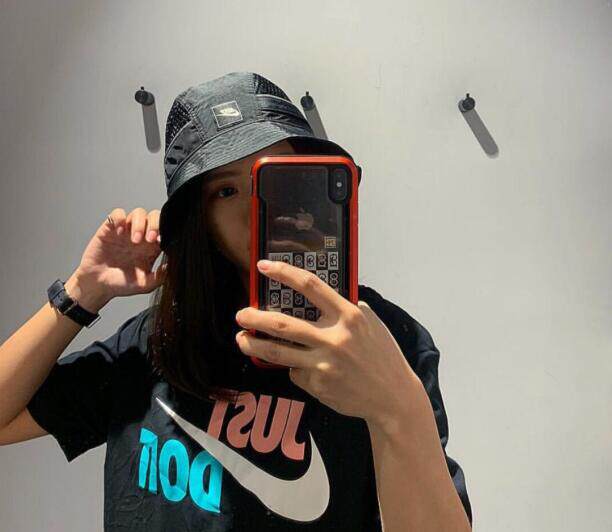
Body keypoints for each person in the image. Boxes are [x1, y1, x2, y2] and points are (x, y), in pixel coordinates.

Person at [0, 71, 472, 531]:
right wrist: (83, 292)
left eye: (279, 182)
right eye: (226, 190)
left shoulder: (384, 339)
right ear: (198, 218)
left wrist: (397, 408)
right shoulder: (159, 338)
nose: (257, 209)